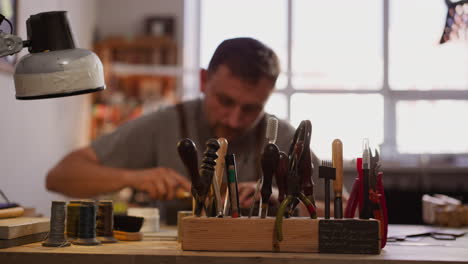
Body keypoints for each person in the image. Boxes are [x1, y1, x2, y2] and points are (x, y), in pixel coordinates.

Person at [46, 37, 324, 213]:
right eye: (225, 101)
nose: (234, 119)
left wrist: (283, 198)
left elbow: (346, 208)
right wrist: (134, 178)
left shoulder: (286, 137)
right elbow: (60, 176)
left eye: (251, 108)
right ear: (204, 80)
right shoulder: (166, 124)